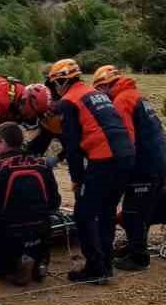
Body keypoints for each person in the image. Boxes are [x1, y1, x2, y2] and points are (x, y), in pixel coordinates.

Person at [46, 58, 134, 284]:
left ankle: (95, 267)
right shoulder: (95, 94)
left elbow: (73, 147)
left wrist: (77, 180)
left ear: (62, 81)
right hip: (126, 156)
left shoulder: (69, 102)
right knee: (106, 212)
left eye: (55, 84)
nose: (55, 89)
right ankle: (105, 264)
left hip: (105, 159)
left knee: (83, 214)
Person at [91, 65, 166, 271]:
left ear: (106, 86)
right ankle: (134, 248)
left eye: (100, 90)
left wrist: (117, 169)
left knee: (133, 211)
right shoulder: (134, 95)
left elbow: (127, 140)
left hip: (146, 164)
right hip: (157, 159)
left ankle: (138, 257)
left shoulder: (121, 101)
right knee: (139, 210)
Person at [0, 122, 60, 283]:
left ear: (0, 142)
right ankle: (36, 261)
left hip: (8, 234)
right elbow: (55, 202)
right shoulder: (42, 165)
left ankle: (13, 265)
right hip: (40, 232)